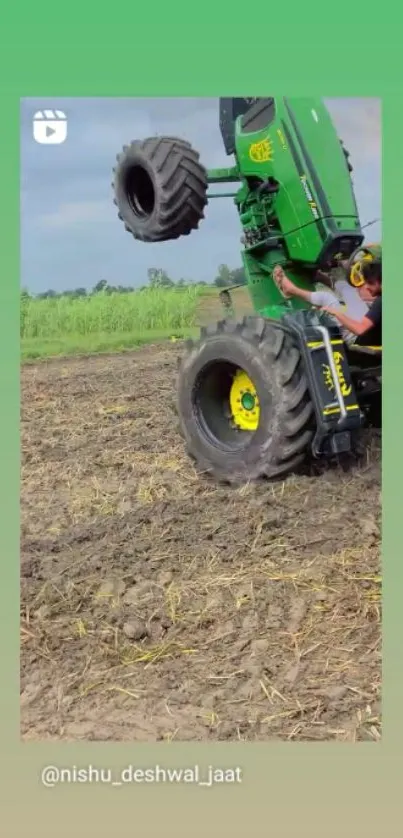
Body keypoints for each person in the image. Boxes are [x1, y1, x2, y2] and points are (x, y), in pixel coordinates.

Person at [272, 261, 382, 347]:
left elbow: (359, 329)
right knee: (348, 289)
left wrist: (337, 314)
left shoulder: (380, 302)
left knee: (327, 298)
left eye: (371, 283)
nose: (367, 286)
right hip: (374, 335)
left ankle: (290, 289)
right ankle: (320, 277)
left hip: (355, 338)